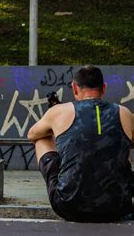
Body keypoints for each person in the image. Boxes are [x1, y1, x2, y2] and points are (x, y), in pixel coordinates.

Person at [28, 65, 133, 222]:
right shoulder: (124, 112)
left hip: (69, 206)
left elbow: (32, 134)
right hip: (117, 207)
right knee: (121, 145)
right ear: (104, 88)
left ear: (75, 88)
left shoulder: (58, 111)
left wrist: (60, 131)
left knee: (41, 138)